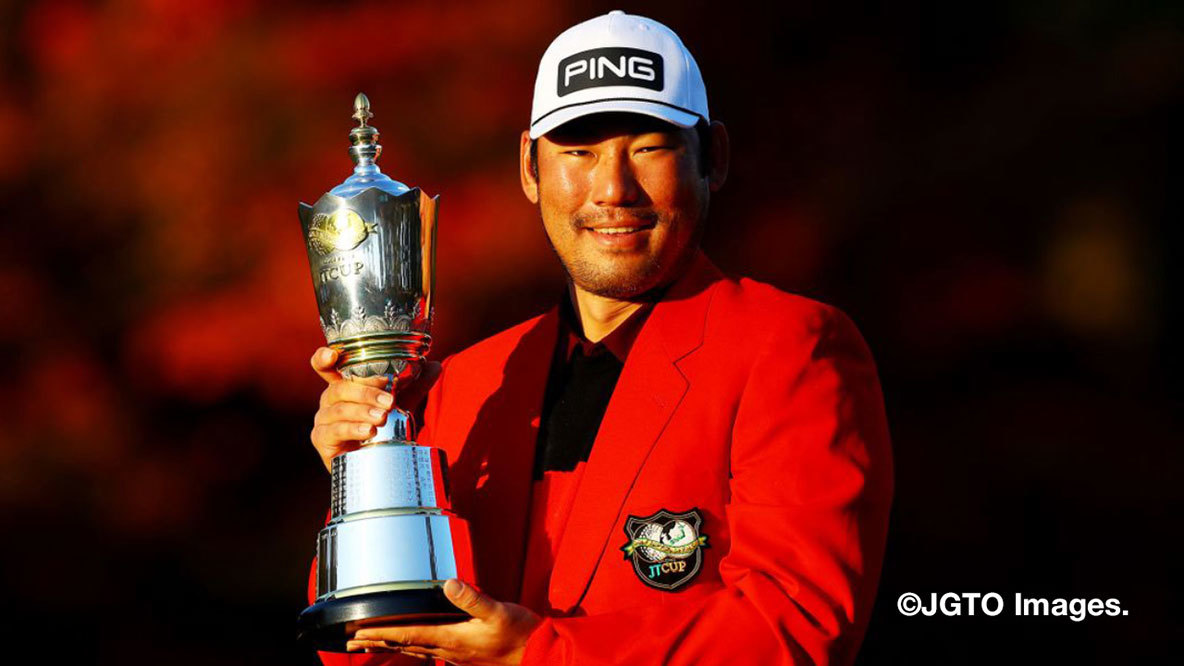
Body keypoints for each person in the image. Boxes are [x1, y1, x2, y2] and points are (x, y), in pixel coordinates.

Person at [307, 10, 892, 666]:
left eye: (649, 147)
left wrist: (537, 655)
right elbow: (368, 651)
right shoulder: (464, 386)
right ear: (529, 167)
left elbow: (796, 627)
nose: (613, 189)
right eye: (578, 151)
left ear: (714, 159)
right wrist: (363, 474)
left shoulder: (789, 349)